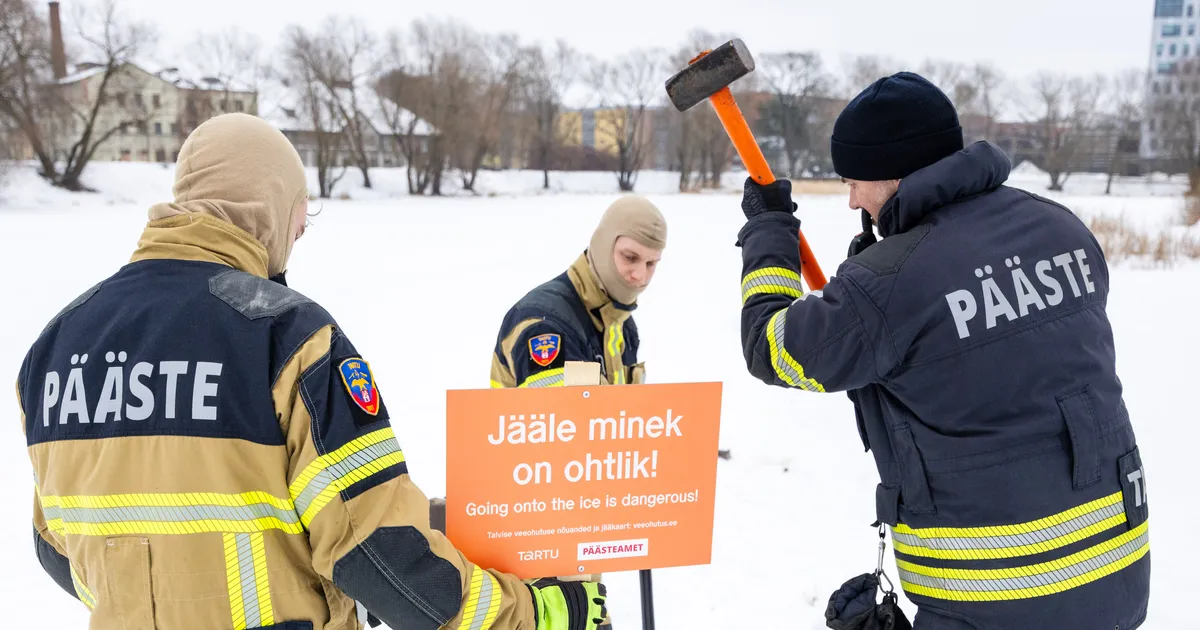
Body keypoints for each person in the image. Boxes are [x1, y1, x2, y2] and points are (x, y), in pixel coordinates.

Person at [17, 113, 606, 630]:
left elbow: (55, 547)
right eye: (300, 219)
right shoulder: (285, 336)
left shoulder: (53, 347)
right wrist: (535, 613)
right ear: (269, 206)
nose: (296, 238)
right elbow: (378, 552)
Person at [736, 73, 1150, 629]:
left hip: (991, 596)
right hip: (1116, 575)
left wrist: (769, 230)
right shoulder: (1060, 227)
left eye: (853, 180)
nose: (852, 198)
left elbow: (773, 347)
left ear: (894, 171)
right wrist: (880, 268)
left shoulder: (889, 284)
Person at [490, 196, 666, 389]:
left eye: (651, 264)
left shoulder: (620, 324)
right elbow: (565, 418)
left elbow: (620, 415)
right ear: (603, 245)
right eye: (630, 257)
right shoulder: (546, 328)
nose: (640, 276)